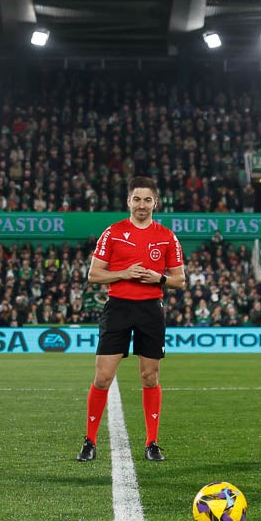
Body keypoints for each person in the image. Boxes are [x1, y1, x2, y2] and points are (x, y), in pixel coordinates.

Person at [78, 177, 186, 463]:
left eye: (147, 200)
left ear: (155, 203)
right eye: (137, 199)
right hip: (118, 309)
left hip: (150, 309)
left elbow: (180, 280)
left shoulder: (166, 236)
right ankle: (89, 440)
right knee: (103, 378)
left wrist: (158, 278)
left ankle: (152, 443)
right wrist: (124, 273)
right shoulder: (113, 233)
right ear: (129, 202)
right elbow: (94, 275)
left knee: (149, 377)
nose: (141, 205)